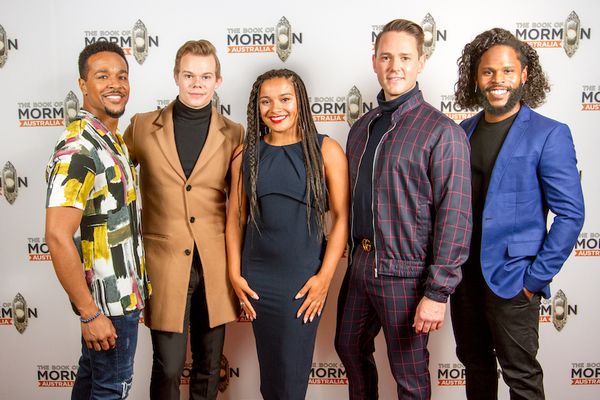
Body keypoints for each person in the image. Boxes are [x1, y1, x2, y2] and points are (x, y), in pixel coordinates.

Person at [335, 19, 472, 400]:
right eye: (386, 57)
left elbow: (455, 216)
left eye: (405, 57)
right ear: (375, 62)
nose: (395, 66)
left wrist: (438, 291)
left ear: (421, 63)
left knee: (409, 375)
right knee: (348, 347)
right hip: (361, 264)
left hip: (406, 273)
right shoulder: (362, 126)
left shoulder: (442, 132)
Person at [450, 28, 585, 400]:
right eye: (488, 72)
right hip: (464, 279)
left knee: (521, 377)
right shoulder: (462, 131)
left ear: (524, 75)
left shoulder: (549, 134)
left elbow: (571, 215)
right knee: (476, 368)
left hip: (514, 281)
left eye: (508, 71)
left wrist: (533, 281)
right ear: (476, 78)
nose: (498, 80)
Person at [122, 40, 244, 399]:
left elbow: (239, 206)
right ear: (176, 76)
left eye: (205, 76)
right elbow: (116, 180)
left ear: (218, 80)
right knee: (170, 365)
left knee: (208, 365)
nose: (197, 83)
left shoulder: (234, 133)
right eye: (189, 75)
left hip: (214, 265)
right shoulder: (142, 126)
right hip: (164, 265)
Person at [225, 68, 349, 400]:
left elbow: (341, 219)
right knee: (271, 377)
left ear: (300, 103)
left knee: (291, 380)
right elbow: (236, 220)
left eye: (284, 99)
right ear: (256, 107)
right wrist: (234, 274)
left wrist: (324, 278)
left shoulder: (326, 150)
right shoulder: (246, 154)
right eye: (265, 101)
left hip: (303, 280)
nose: (275, 108)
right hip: (257, 279)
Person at [45, 41, 151, 399]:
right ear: (83, 84)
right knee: (111, 389)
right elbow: (57, 236)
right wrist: (90, 314)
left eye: (122, 76)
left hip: (121, 299)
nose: (115, 84)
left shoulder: (111, 140)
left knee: (93, 383)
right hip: (107, 306)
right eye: (102, 75)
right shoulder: (79, 147)